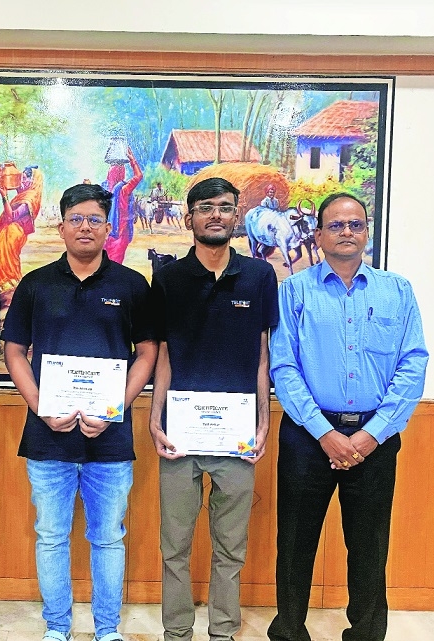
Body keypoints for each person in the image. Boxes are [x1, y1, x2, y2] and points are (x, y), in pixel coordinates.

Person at [267, 193, 429, 641]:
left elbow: (413, 363)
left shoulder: (397, 291)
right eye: (336, 225)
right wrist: (325, 433)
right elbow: (284, 366)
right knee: (295, 543)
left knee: (369, 545)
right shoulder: (294, 291)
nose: (346, 232)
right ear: (318, 234)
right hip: (308, 435)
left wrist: (373, 433)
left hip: (375, 437)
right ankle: (289, 632)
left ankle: (366, 634)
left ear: (366, 233)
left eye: (355, 224)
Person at [3, 184, 157, 641]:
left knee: (108, 537)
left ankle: (107, 630)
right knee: (51, 536)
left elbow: (147, 353)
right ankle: (57, 628)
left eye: (94, 219)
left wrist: (115, 408)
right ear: (62, 226)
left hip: (110, 438)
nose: (85, 227)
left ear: (108, 228)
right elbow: (14, 352)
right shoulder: (36, 284)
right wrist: (41, 407)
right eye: (76, 219)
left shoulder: (132, 285)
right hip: (47, 437)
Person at [148, 177, 279, 641]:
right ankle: (177, 633)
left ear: (236, 215)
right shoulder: (168, 279)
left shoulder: (260, 277)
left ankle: (223, 631)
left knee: (231, 547)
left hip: (237, 434)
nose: (216, 215)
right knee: (174, 547)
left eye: (225, 207)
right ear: (190, 218)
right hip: (179, 435)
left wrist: (264, 422)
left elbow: (263, 355)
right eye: (206, 207)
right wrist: (154, 418)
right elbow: (163, 353)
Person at [0, 164, 44, 297]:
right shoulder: (24, 195)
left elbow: (12, 216)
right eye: (21, 177)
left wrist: (4, 195)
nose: (21, 181)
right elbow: (14, 185)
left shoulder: (30, 198)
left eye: (24, 178)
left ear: (33, 181)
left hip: (13, 233)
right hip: (8, 232)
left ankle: (8, 293)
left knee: (2, 260)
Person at [103, 147, 143, 264]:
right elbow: (138, 176)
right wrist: (132, 160)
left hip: (105, 234)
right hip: (120, 234)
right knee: (115, 265)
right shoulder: (123, 190)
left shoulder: (103, 188)